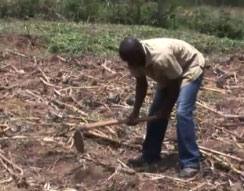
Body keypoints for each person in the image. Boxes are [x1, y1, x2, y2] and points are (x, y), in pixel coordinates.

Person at [119, 37, 205, 178]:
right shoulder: (133, 60)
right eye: (129, 62)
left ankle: (190, 162)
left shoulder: (161, 56)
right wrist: (135, 113)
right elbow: (141, 85)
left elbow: (175, 83)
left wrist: (165, 110)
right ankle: (150, 155)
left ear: (140, 52)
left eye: (133, 61)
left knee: (182, 112)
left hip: (190, 66)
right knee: (154, 113)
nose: (131, 65)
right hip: (170, 74)